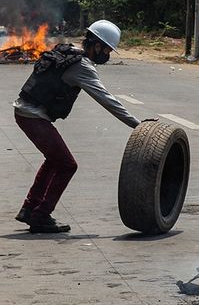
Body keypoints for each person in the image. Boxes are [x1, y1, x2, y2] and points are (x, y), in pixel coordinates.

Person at [13, 19, 153, 233]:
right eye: (106, 49)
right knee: (68, 165)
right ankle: (41, 215)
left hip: (25, 111)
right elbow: (107, 100)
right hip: (33, 116)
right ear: (96, 45)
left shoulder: (68, 50)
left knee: (54, 161)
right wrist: (138, 126)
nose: (106, 55)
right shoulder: (82, 66)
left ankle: (29, 208)